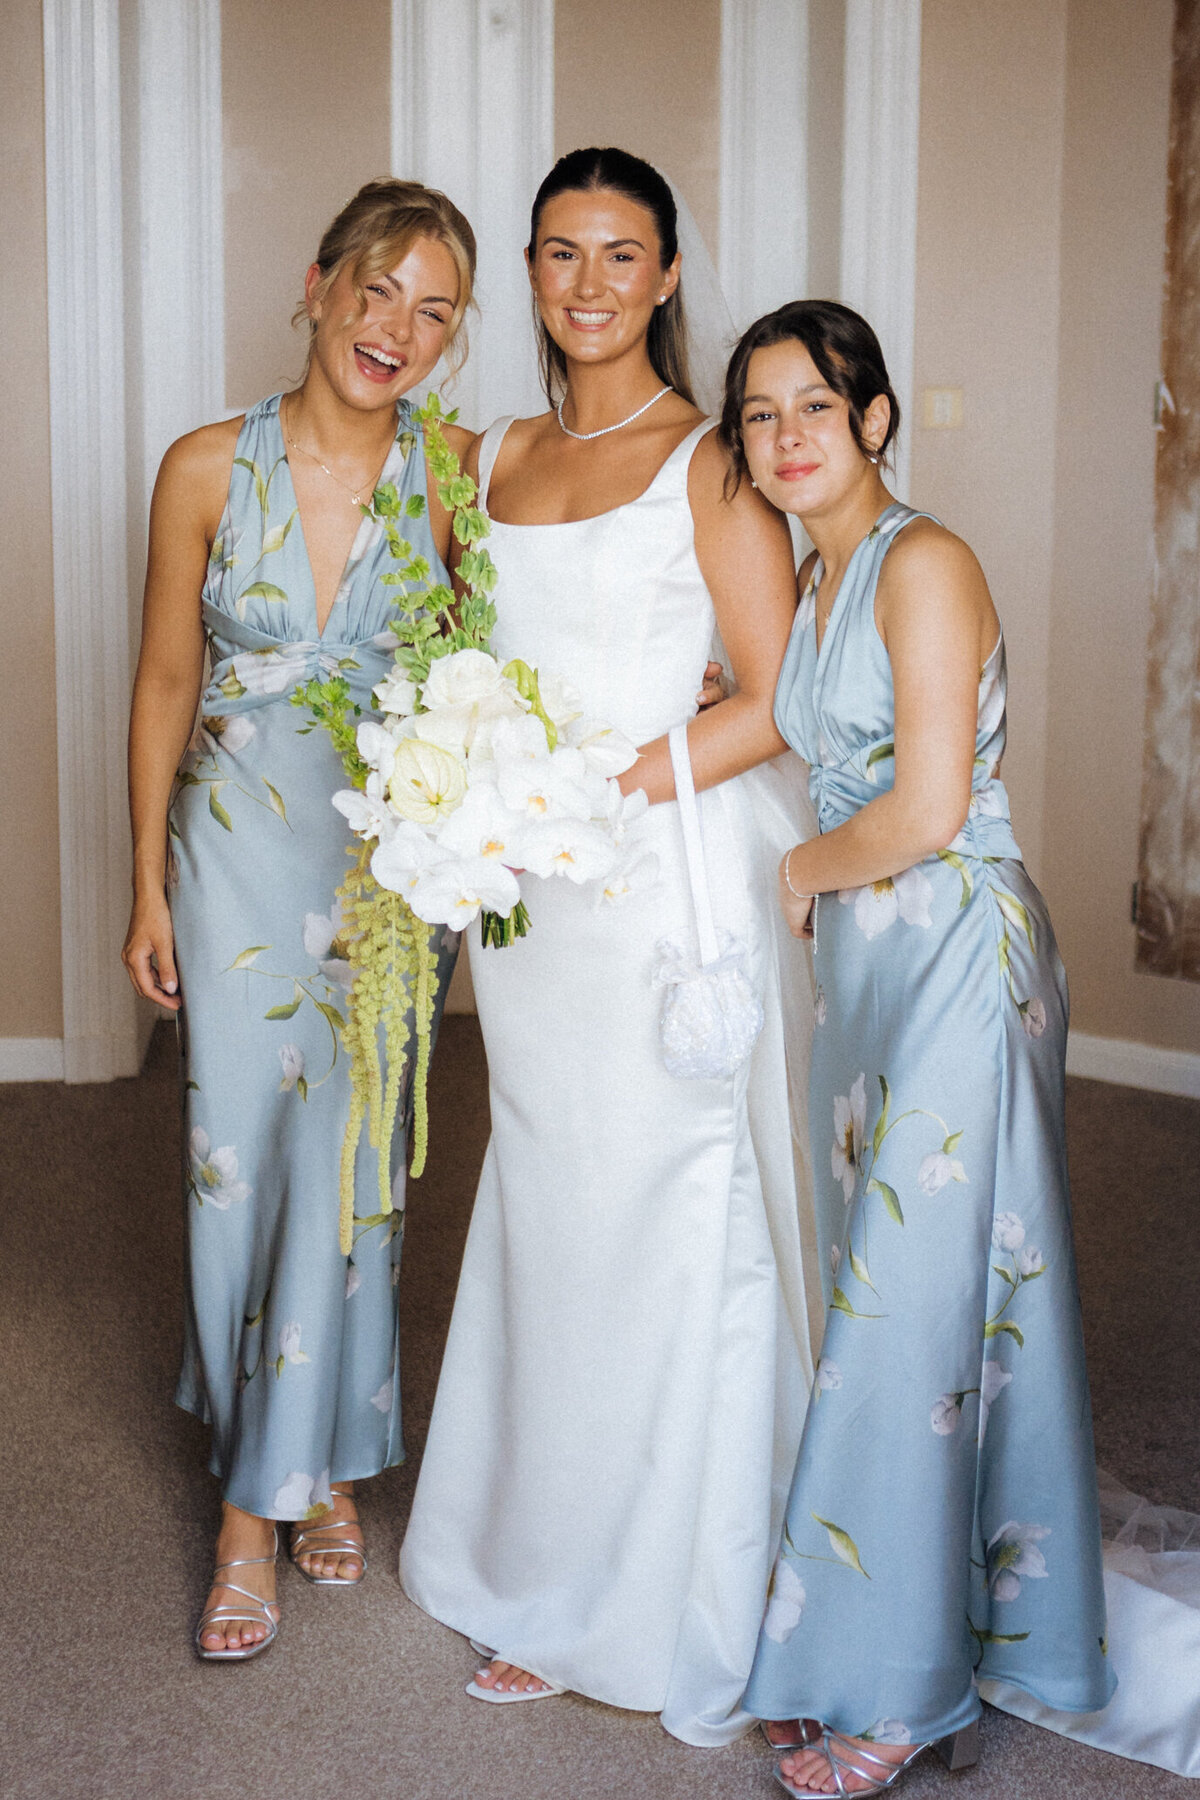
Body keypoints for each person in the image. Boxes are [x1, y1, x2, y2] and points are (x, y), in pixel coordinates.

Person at [398, 147, 820, 1747]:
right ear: (528, 271)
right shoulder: (480, 454)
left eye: (622, 253)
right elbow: (452, 658)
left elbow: (776, 699)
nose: (590, 284)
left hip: (655, 887)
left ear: (663, 276)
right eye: (561, 253)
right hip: (530, 903)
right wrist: (466, 784)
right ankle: (535, 1549)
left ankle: (649, 1593)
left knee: (661, 1218)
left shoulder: (708, 461)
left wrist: (613, 781)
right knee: (552, 1205)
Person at [720, 300, 1114, 1795]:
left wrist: (798, 872)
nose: (787, 439)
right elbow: (808, 725)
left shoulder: (925, 561)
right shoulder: (816, 584)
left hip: (952, 954)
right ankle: (956, 1615)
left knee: (908, 1326)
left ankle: (896, 1680)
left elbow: (930, 807)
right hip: (871, 983)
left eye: (813, 406)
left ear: (876, 418)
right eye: (758, 417)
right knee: (923, 1316)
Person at [122, 179, 477, 1659]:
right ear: (318, 286)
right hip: (233, 856)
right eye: (379, 289)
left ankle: (328, 1457)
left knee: (360, 1166)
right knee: (238, 1167)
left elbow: (504, 655)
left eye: (436, 310)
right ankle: (248, 1512)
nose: (397, 327)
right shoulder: (206, 465)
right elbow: (159, 682)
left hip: (383, 867)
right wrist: (142, 879)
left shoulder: (454, 473)